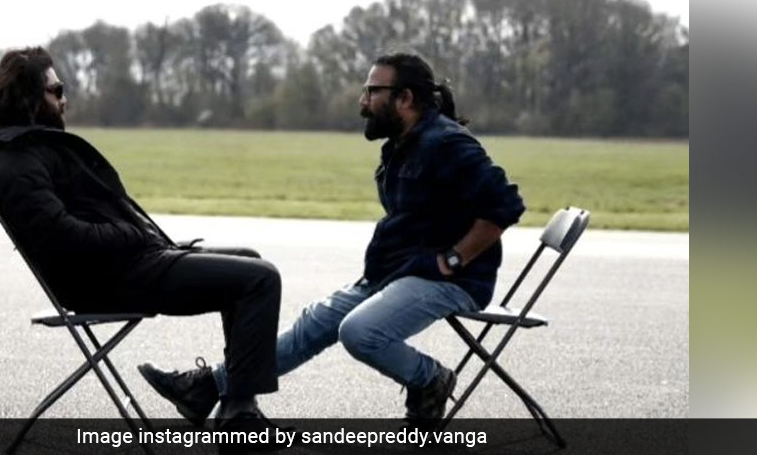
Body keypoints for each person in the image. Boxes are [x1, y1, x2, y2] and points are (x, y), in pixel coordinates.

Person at [140, 52, 526, 425]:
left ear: (405, 98)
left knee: (360, 332)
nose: (363, 101)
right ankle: (208, 387)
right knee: (313, 324)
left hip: (452, 280)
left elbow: (505, 204)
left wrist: (454, 259)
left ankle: (430, 379)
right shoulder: (403, 144)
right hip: (401, 271)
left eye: (372, 91)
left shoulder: (446, 143)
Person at [0, 47, 284, 431]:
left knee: (250, 259)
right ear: (28, 98)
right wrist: (133, 234)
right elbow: (63, 238)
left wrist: (139, 238)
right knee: (261, 279)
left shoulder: (27, 150)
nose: (64, 99)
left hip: (125, 264)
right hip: (109, 279)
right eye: (57, 91)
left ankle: (226, 403)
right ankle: (238, 419)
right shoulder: (14, 165)